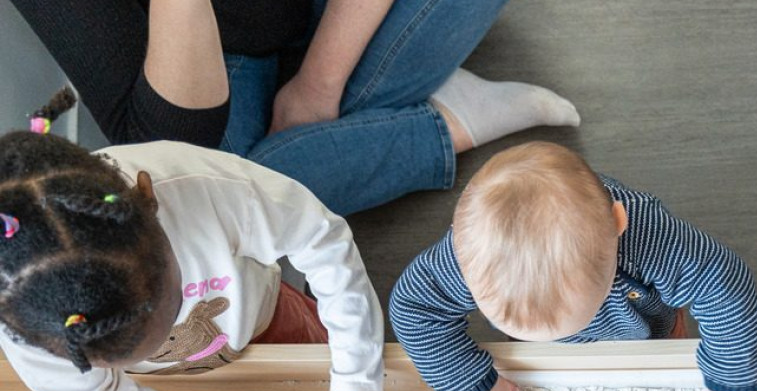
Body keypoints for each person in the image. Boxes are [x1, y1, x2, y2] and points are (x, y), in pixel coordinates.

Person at [0, 94, 387, 391]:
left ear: (149, 199)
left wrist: (358, 378)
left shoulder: (205, 189)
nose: (168, 329)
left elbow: (321, 239)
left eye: (174, 307)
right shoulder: (30, 323)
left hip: (267, 322)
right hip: (170, 382)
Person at [11, 0, 580, 215]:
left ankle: (386, 122)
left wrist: (318, 83)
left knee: (226, 201)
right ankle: (439, 123)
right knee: (195, 193)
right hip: (216, 63)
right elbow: (162, 136)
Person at [390, 141, 757, 391]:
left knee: (670, 348)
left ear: (617, 225)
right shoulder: (469, 257)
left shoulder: (650, 238)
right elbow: (414, 309)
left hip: (646, 321)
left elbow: (722, 283)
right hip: (539, 358)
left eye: (577, 316)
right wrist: (475, 388)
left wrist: (735, 380)